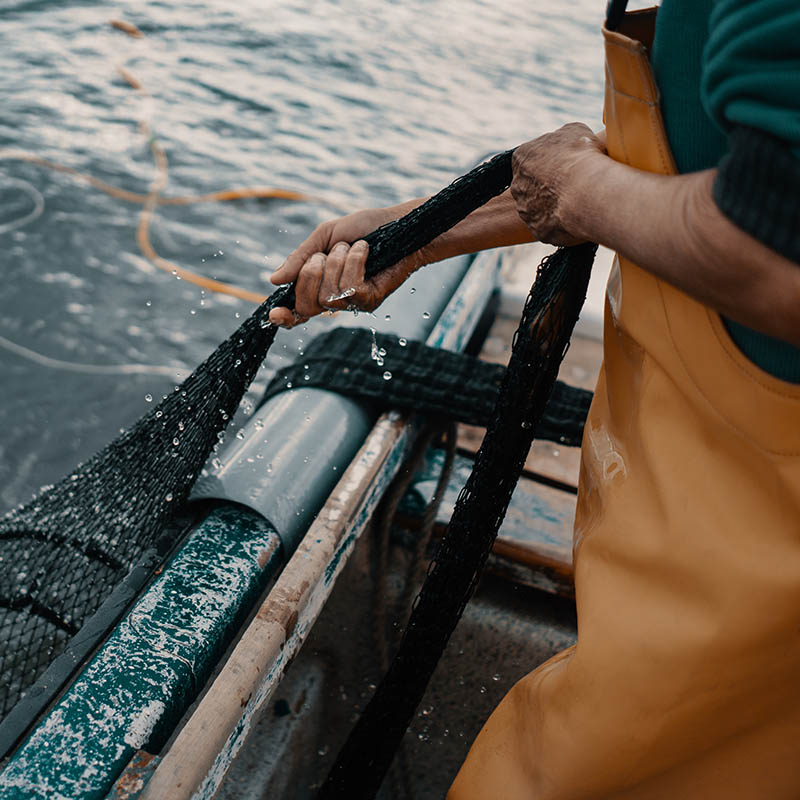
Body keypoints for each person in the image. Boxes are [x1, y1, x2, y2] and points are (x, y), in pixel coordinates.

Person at [270, 0, 800, 796]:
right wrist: (429, 229)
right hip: (693, 512)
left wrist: (583, 188)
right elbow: (710, 166)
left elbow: (774, 251)